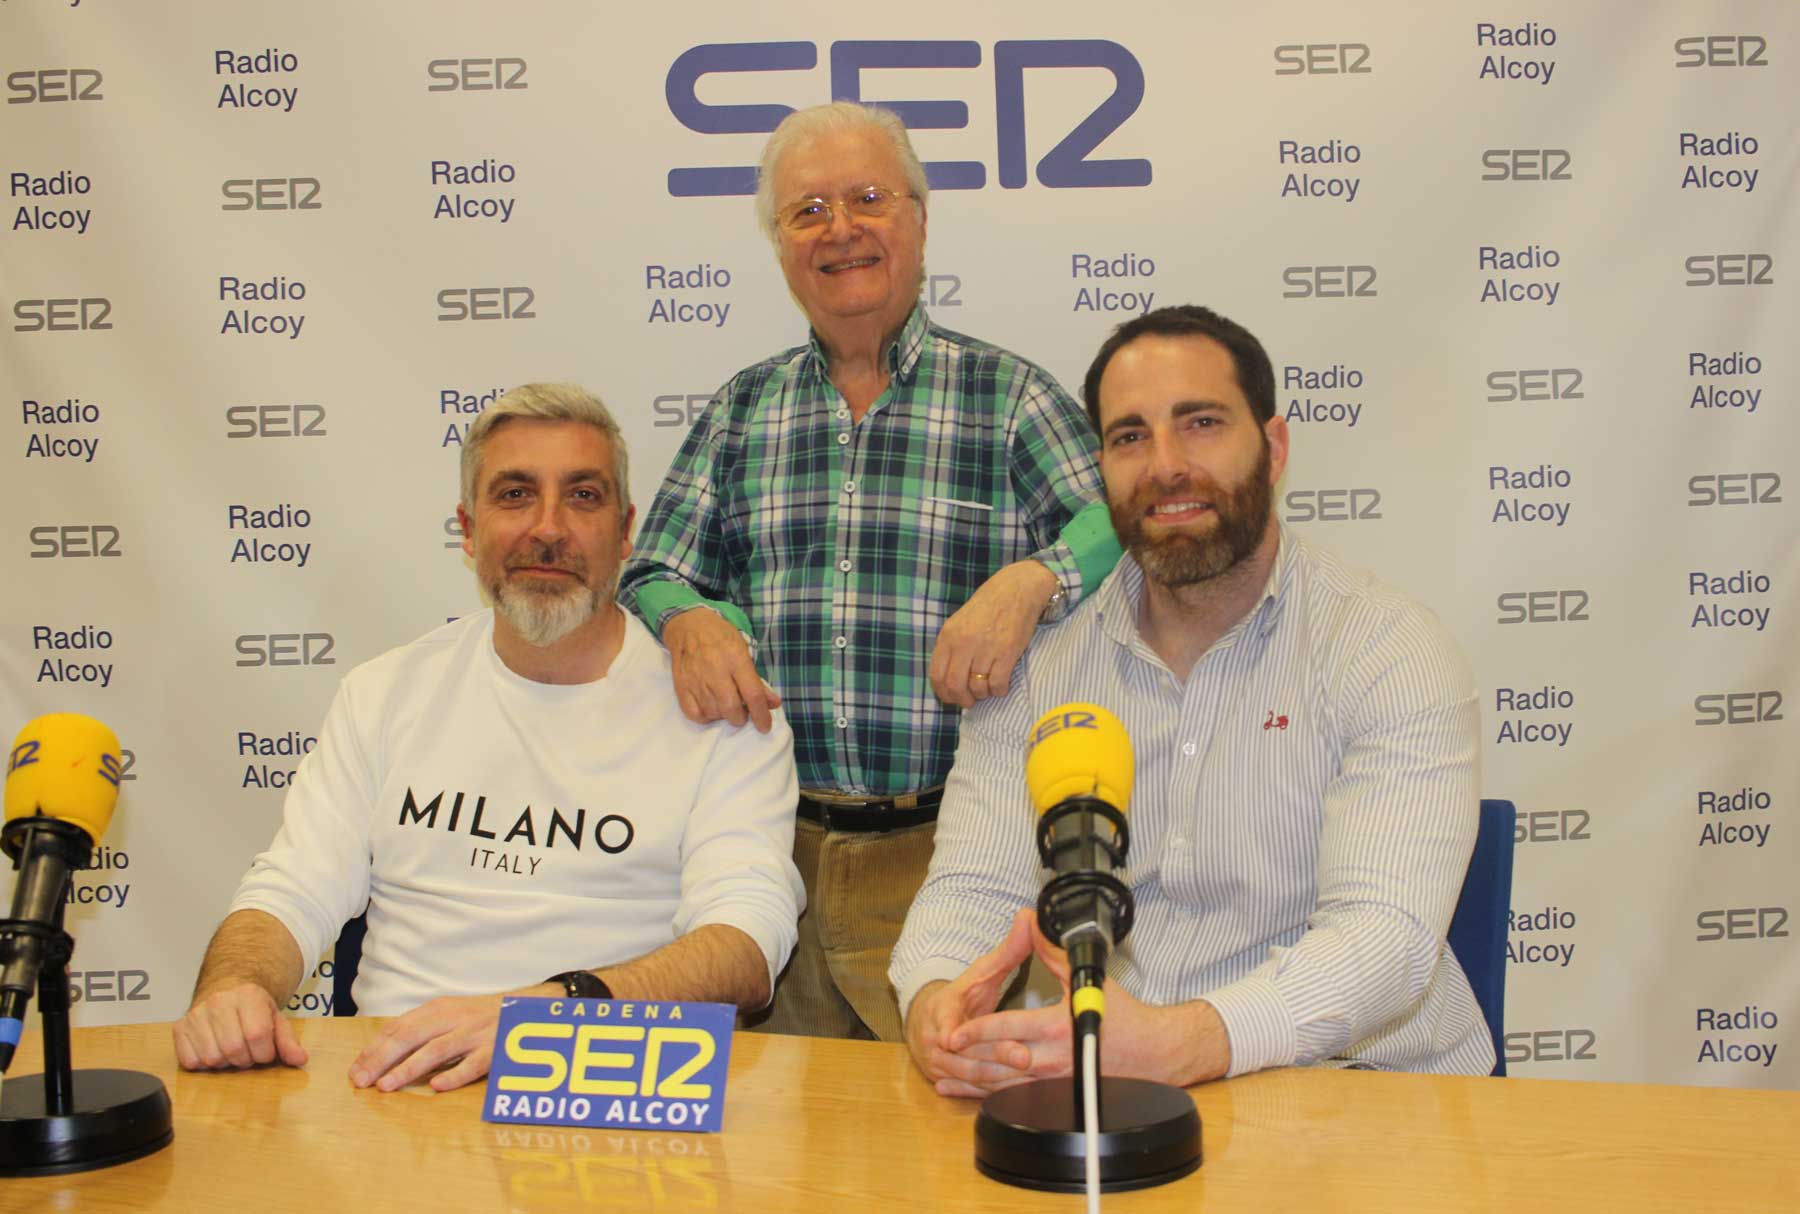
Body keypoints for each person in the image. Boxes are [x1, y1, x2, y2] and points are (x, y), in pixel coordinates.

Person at [892, 305, 1493, 1094]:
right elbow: (974, 889)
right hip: (1107, 1091)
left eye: (1201, 423)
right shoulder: (1038, 669)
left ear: (1273, 449)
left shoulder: (1386, 648)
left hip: (1362, 1088)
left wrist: (1192, 1040)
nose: (1165, 466)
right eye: (1130, 437)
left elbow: (1385, 941)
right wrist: (936, 999)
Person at [620, 102, 1118, 1041]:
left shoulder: (1008, 398)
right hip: (773, 857)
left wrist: (1032, 582)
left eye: (868, 198)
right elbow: (650, 568)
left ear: (921, 224)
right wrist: (689, 619)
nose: (839, 228)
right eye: (807, 211)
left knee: (947, 1152)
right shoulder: (742, 410)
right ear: (780, 247)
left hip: (957, 856)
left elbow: (1121, 523)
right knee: (779, 1163)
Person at [173, 384, 803, 1092]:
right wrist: (235, 987)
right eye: (514, 495)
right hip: (393, 1090)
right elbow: (295, 887)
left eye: (583, 497)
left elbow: (747, 944)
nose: (548, 528)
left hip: (607, 1097)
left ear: (626, 531)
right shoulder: (384, 692)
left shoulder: (721, 711)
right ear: (468, 530)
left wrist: (550, 1015)